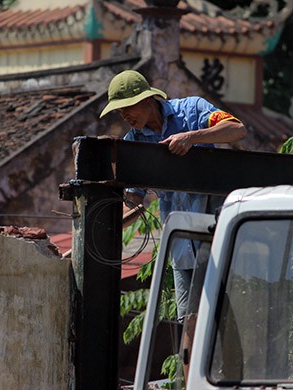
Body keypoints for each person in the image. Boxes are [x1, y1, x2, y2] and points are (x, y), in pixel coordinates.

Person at [100, 70, 247, 321]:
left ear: (147, 100)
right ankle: (190, 362)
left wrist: (191, 137)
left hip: (214, 236)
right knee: (188, 318)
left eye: (128, 107)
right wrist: (102, 227)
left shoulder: (192, 110)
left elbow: (236, 129)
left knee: (221, 317)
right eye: (119, 111)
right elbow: (134, 202)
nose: (124, 115)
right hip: (180, 246)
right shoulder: (134, 143)